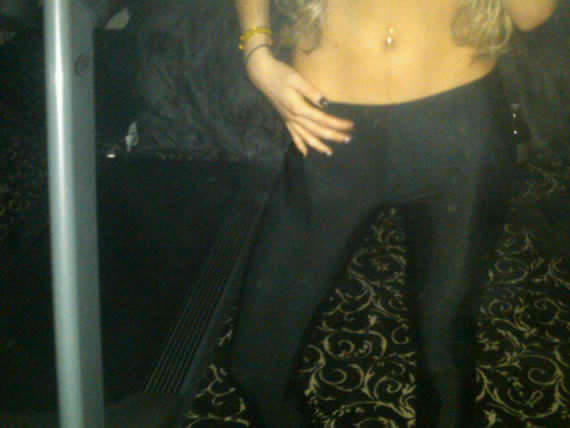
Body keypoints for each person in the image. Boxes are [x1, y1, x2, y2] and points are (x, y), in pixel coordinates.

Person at [227, 1, 560, 427]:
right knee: (257, 363)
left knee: (445, 359)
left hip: (459, 126)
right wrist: (257, 54)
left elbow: (532, 15)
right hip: (327, 127)